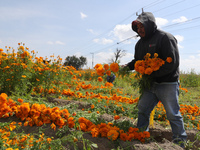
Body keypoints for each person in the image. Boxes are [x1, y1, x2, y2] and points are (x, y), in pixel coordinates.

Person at [122, 12, 187, 147]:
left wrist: (152, 73)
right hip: (150, 84)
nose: (139, 30)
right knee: (143, 109)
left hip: (167, 83)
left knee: (173, 114)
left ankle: (180, 143)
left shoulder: (165, 38)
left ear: (149, 24)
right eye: (137, 28)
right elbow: (137, 61)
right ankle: (141, 136)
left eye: (142, 26)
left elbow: (172, 63)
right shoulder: (139, 44)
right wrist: (127, 67)